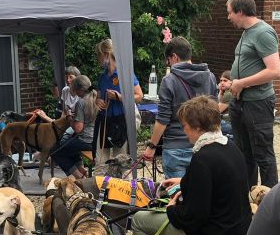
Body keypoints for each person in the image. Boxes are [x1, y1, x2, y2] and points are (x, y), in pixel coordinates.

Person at [132, 96, 251, 235]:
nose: (184, 131)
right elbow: (217, 183)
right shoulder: (230, 147)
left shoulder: (203, 158)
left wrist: (171, 209)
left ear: (197, 126)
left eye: (185, 126)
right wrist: (184, 182)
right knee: (165, 217)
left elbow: (193, 217)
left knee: (140, 220)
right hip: (238, 231)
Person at [226, 0, 280, 189]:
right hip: (240, 102)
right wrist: (233, 83)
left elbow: (274, 71)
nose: (228, 17)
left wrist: (242, 83)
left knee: (263, 155)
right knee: (244, 155)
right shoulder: (246, 32)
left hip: (258, 103)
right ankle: (248, 197)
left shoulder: (263, 33)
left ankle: (269, 199)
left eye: (230, 12)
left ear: (240, 11)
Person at [142, 37, 217, 179]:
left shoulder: (169, 80)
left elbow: (163, 119)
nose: (169, 64)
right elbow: (215, 113)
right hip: (205, 144)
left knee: (176, 192)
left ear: (174, 57)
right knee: (202, 190)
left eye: (168, 60)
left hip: (176, 146)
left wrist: (151, 147)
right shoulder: (210, 77)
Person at [94, 38, 143, 158]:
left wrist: (119, 97)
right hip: (105, 120)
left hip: (121, 120)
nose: (98, 59)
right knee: (100, 161)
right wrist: (98, 101)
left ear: (106, 55)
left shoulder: (125, 73)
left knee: (121, 160)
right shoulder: (102, 77)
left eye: (99, 55)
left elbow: (139, 96)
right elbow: (98, 97)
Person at [50, 75, 97, 179]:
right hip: (96, 140)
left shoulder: (81, 102)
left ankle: (79, 177)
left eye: (75, 90)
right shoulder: (96, 98)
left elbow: (78, 129)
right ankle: (82, 170)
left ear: (79, 89)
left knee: (55, 152)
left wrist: (69, 117)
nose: (74, 92)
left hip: (86, 141)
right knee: (69, 146)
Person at [217, 70, 233, 136]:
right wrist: (221, 91)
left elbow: (216, 111)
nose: (222, 83)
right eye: (221, 81)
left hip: (228, 123)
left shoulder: (229, 94)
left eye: (225, 80)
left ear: (232, 82)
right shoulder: (227, 92)